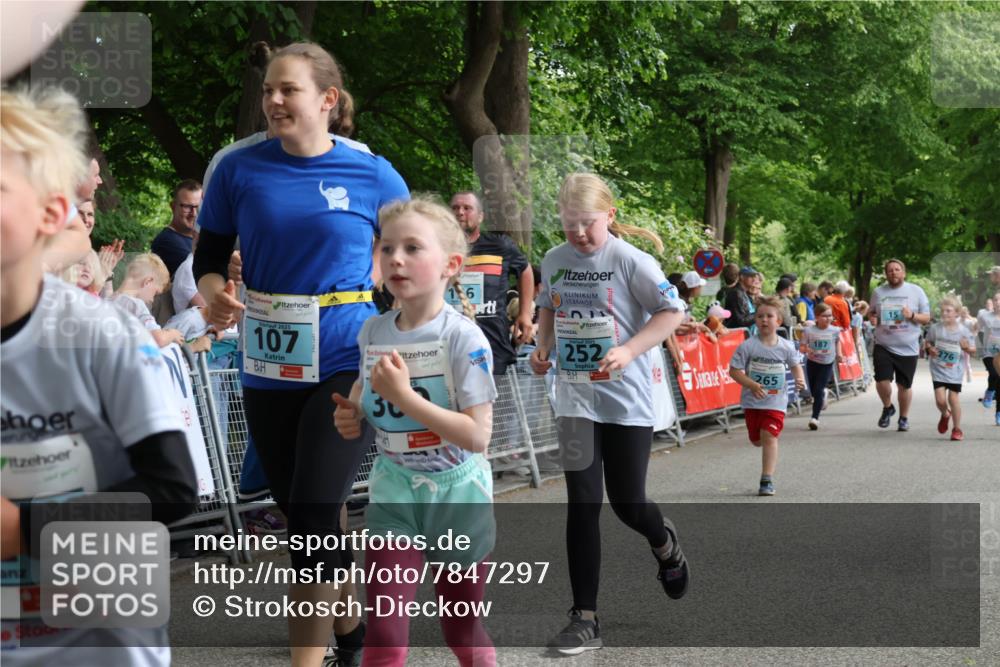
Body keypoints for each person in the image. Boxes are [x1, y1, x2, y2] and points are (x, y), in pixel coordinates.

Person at [194, 41, 409, 666]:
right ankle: (351, 630)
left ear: (327, 99)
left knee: (314, 515)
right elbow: (208, 258)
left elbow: (414, 251)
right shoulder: (237, 168)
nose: (274, 100)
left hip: (347, 353)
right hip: (267, 359)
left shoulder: (372, 173)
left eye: (287, 89)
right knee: (302, 510)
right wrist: (214, 295)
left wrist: (416, 328)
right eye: (267, 90)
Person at [1, 83, 197, 667]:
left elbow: (171, 489)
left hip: (100, 646)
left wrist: (26, 527)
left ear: (52, 213)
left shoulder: (100, 334)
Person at [332, 198, 497, 667]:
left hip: (458, 494)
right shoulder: (373, 330)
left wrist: (407, 400)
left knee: (459, 627)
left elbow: (478, 436)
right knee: (384, 627)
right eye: (387, 248)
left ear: (450, 265)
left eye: (411, 247)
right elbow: (363, 395)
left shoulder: (463, 338)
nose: (396, 259)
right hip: (395, 489)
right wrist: (351, 415)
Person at [529, 173, 688, 654]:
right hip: (576, 396)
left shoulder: (630, 260)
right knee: (582, 501)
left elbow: (671, 311)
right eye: (569, 224)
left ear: (610, 216)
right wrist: (542, 348)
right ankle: (585, 618)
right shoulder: (554, 260)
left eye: (588, 224)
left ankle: (663, 542)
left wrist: (628, 350)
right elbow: (549, 310)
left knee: (627, 503)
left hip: (625, 397)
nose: (578, 234)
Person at [449, 191, 533, 376]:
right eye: (455, 208)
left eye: (467, 208)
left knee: (494, 404)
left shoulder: (500, 246)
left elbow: (525, 270)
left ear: (480, 216)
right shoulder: (437, 249)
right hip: (449, 343)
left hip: (492, 344)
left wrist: (525, 314)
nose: (460, 212)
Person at [729, 296, 805, 495]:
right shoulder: (748, 346)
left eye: (769, 316)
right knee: (756, 440)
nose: (764, 319)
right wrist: (752, 384)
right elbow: (734, 371)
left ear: (778, 321)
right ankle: (764, 448)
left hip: (776, 402)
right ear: (755, 320)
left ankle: (766, 479)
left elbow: (796, 366)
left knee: (769, 436)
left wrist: (800, 380)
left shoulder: (786, 346)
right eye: (760, 316)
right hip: (752, 402)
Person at [869, 259, 931, 431]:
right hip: (884, 344)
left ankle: (903, 418)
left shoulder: (916, 291)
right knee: (882, 381)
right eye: (890, 270)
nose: (894, 273)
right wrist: (872, 317)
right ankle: (888, 407)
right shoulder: (878, 292)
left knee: (904, 386)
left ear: (904, 272)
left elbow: (926, 318)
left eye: (897, 270)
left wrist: (911, 315)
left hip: (908, 346)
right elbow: (872, 311)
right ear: (886, 274)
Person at [925, 296, 976, 441]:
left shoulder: (964, 331)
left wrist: (967, 348)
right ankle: (945, 414)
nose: (945, 313)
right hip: (938, 369)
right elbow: (928, 342)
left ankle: (957, 429)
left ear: (957, 313)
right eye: (943, 311)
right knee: (940, 401)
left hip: (955, 370)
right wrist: (930, 349)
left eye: (949, 311)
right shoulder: (935, 329)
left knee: (953, 399)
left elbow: (973, 350)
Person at [111, 253, 185, 348]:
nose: (152, 300)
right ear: (148, 281)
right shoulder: (137, 305)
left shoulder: (108, 299)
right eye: (155, 293)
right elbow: (159, 339)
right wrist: (172, 334)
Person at [798, 302, 843, 430]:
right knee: (813, 391)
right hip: (812, 362)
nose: (828, 319)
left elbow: (837, 342)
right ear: (817, 317)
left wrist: (839, 354)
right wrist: (807, 349)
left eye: (830, 316)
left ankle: (815, 418)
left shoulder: (834, 330)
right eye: (824, 316)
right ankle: (823, 393)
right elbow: (801, 347)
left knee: (817, 390)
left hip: (827, 363)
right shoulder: (808, 330)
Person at [151, 179, 203, 278]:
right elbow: (201, 271)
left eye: (198, 207)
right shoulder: (166, 242)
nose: (194, 213)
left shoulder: (200, 238)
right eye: (187, 207)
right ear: (173, 207)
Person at [977, 290, 1000, 423]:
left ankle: (998, 412)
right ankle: (990, 391)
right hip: (988, 352)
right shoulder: (985, 316)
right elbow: (975, 330)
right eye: (996, 300)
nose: (998, 302)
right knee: (995, 374)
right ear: (993, 302)